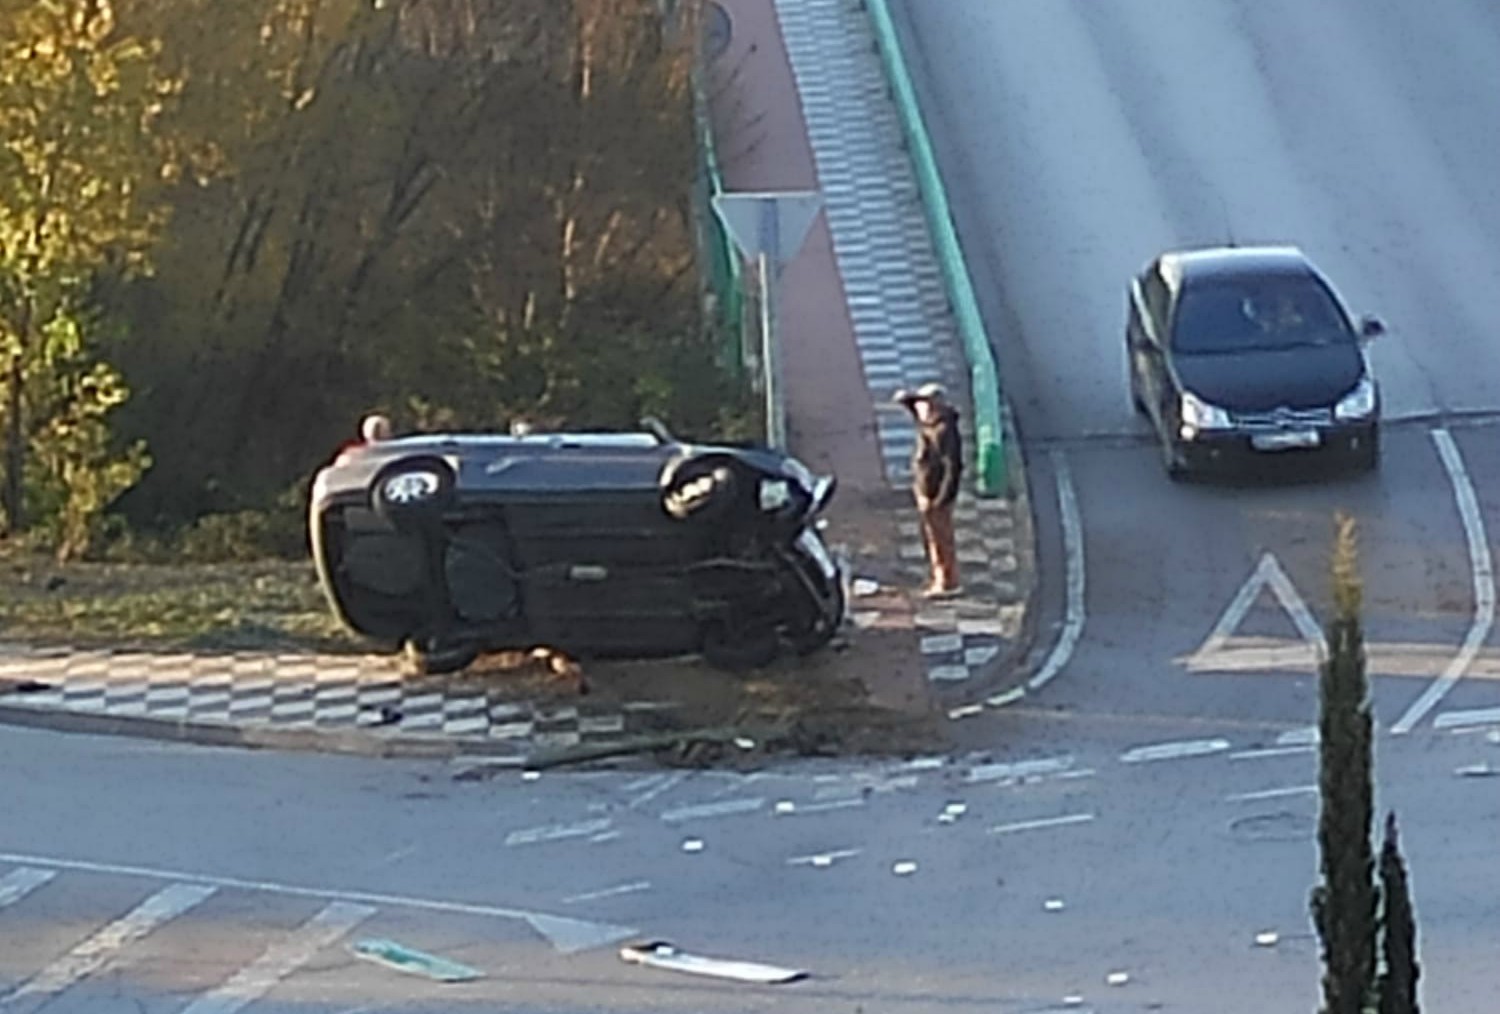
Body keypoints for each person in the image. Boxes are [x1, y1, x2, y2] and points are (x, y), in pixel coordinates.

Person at [894, 382, 963, 597]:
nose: (921, 409)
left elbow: (953, 467)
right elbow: (908, 403)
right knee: (933, 539)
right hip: (926, 493)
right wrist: (909, 398)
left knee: (942, 540)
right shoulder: (929, 425)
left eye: (926, 404)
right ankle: (939, 577)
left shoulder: (943, 431)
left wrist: (941, 498)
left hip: (936, 496)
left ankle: (947, 581)